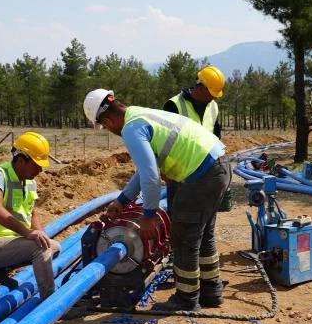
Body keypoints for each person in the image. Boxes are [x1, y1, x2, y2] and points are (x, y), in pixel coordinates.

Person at [84, 89, 232, 311]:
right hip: (218, 167)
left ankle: (186, 299)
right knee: (203, 235)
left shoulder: (131, 129)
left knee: (183, 238)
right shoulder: (140, 115)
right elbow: (146, 170)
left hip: (201, 176)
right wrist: (123, 201)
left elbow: (151, 176)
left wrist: (150, 214)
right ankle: (211, 292)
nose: (109, 130)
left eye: (105, 127)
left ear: (107, 119)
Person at [0, 131, 61, 298]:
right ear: (20, 160)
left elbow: (32, 214)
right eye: (36, 164)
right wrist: (29, 233)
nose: (40, 169)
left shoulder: (30, 182)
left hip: (8, 243)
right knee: (39, 248)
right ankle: (50, 300)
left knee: (53, 246)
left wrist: (41, 234)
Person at [163, 65, 225, 215]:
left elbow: (216, 136)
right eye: (212, 92)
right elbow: (164, 141)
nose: (215, 97)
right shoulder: (174, 105)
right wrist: (164, 169)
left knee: (206, 221)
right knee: (180, 220)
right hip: (180, 175)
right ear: (201, 87)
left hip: (207, 171)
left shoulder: (213, 106)